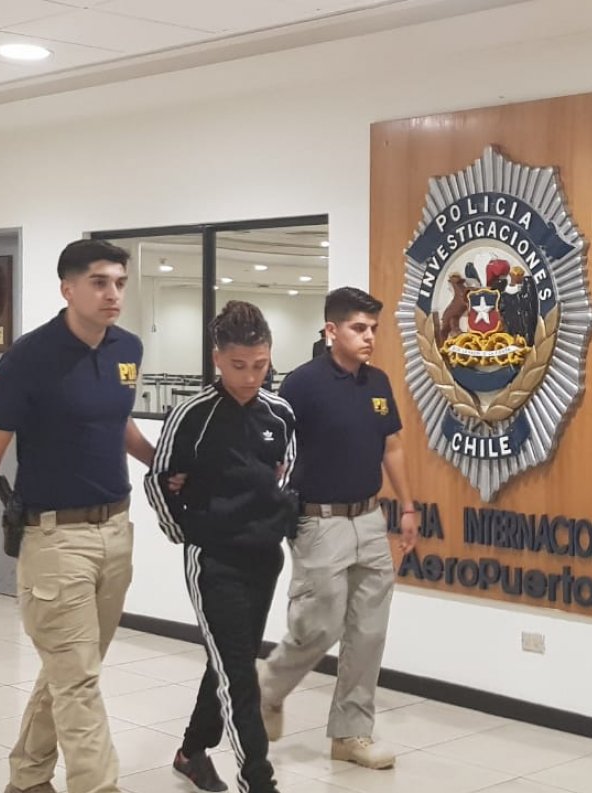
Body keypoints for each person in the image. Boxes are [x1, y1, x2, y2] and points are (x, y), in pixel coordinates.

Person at [0, 239, 156, 793]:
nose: (113, 293)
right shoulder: (28, 359)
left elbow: (115, 420)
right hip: (54, 541)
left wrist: (160, 462)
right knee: (79, 681)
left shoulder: (127, 348)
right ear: (68, 288)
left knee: (73, 670)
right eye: (99, 282)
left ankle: (26, 778)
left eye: (120, 282)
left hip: (115, 531)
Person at [257, 287, 417, 770]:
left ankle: (351, 734)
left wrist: (407, 508)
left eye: (373, 329)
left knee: (368, 631)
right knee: (319, 624)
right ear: (332, 330)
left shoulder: (377, 382)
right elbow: (274, 448)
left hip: (369, 518)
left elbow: (392, 446)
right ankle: (267, 690)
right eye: (358, 328)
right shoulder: (302, 385)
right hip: (319, 521)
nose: (369, 337)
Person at [146, 301, 298, 793]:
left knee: (229, 659)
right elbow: (158, 481)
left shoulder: (280, 413)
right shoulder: (192, 414)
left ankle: (191, 751)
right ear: (217, 359)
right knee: (238, 673)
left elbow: (284, 476)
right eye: (238, 365)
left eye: (260, 365)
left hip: (264, 558)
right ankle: (258, 779)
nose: (250, 377)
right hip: (214, 559)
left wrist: (276, 515)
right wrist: (189, 534)